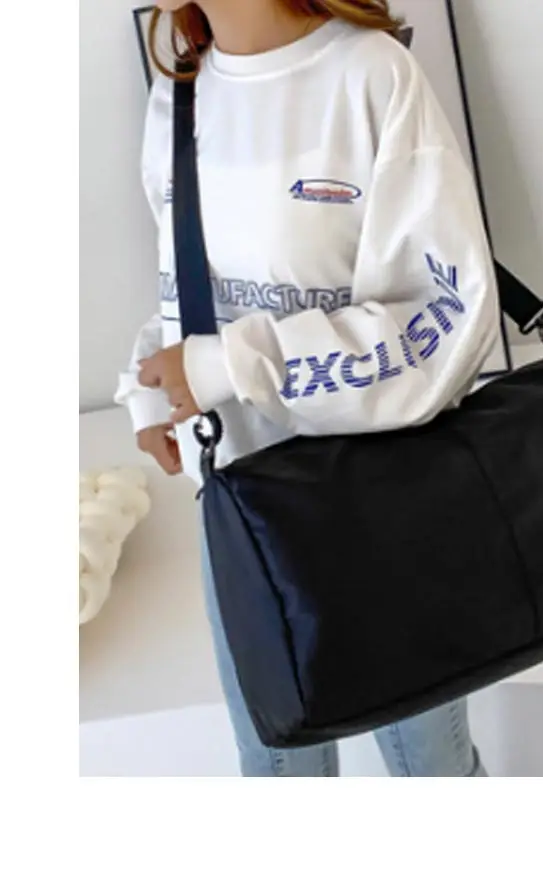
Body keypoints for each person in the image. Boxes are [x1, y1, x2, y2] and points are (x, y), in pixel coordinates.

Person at [116, 0, 498, 777]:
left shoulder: (370, 74)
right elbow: (190, 289)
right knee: (277, 770)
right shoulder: (178, 97)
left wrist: (233, 366)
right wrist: (151, 385)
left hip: (385, 499)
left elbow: (442, 317)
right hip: (239, 503)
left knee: (429, 764)